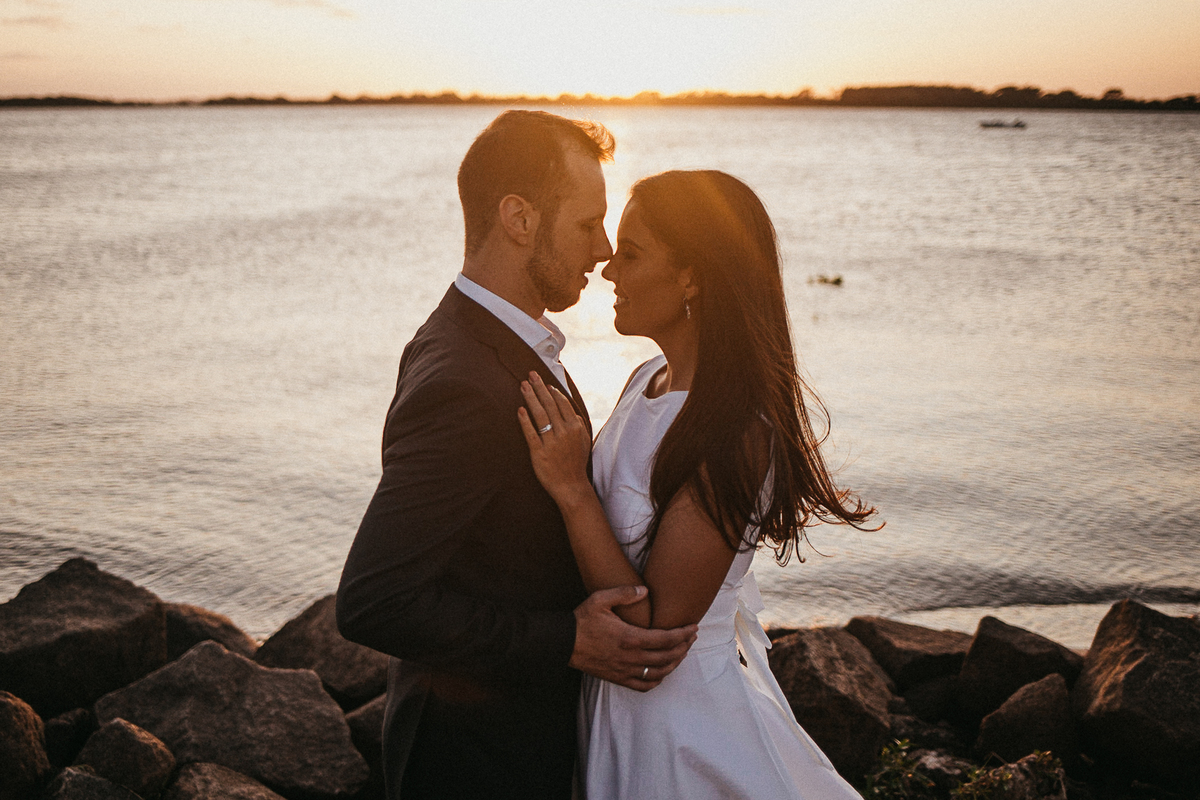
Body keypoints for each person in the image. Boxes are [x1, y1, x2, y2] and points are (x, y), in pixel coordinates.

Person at [335, 110, 697, 800]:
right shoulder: (462, 381)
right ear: (519, 218)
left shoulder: (501, 340)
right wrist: (565, 639)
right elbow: (374, 601)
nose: (601, 251)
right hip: (472, 760)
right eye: (588, 224)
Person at [516, 170, 879, 799]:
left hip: (680, 729)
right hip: (613, 708)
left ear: (692, 276)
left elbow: (655, 631)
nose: (608, 269)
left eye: (631, 254)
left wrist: (572, 491)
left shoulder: (736, 430)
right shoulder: (646, 379)